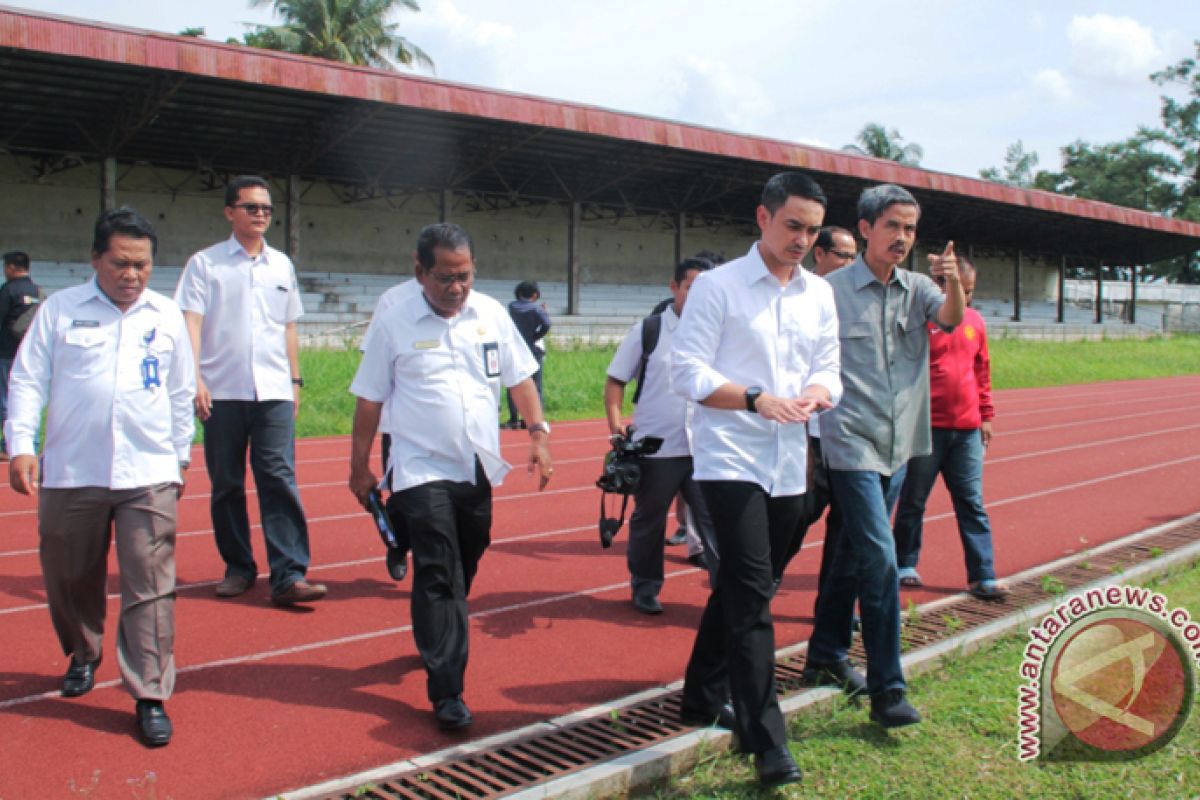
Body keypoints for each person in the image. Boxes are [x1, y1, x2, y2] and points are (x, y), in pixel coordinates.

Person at [348, 222, 553, 730]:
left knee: (470, 553)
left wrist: (538, 434)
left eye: (464, 275)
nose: (456, 287)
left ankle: (438, 633)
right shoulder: (394, 322)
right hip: (420, 466)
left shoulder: (491, 315)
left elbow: (521, 378)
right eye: (444, 277)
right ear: (420, 272)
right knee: (438, 571)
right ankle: (448, 692)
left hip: (477, 463)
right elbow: (369, 399)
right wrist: (358, 466)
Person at [672, 172, 841, 787]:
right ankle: (766, 739)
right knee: (751, 596)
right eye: (793, 225)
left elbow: (829, 366)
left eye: (812, 230)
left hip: (790, 459)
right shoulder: (718, 288)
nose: (802, 239)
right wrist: (753, 399)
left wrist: (819, 392)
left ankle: (700, 694)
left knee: (751, 589)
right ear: (763, 218)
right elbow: (685, 370)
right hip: (729, 458)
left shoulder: (818, 295)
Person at [5, 208, 194, 747]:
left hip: (148, 470)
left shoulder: (166, 314)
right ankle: (83, 653)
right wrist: (22, 445)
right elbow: (27, 381)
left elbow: (182, 391)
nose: (132, 274)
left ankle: (150, 692)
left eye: (142, 264)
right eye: (120, 263)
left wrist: (179, 458)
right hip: (72, 471)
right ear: (95, 259)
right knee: (69, 574)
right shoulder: (60, 311)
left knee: (151, 585)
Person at [805, 184, 965, 729]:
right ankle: (887, 689)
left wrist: (950, 283)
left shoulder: (920, 287)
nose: (902, 237)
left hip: (899, 444)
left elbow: (949, 319)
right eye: (893, 226)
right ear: (866, 228)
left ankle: (825, 655)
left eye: (910, 229)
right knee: (880, 558)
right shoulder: (828, 291)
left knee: (851, 553)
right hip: (849, 439)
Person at [174, 175, 325, 607]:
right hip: (222, 390)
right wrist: (195, 378)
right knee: (226, 482)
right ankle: (239, 567)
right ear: (229, 212)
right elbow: (193, 321)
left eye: (266, 209)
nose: (260, 215)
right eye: (251, 207)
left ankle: (289, 574)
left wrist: (295, 381)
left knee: (278, 477)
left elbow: (289, 324)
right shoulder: (205, 264)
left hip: (274, 389)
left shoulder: (281, 265)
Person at [603, 257, 718, 614]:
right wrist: (615, 422)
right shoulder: (649, 330)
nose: (699, 296)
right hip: (659, 445)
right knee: (649, 520)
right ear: (675, 287)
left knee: (717, 520)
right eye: (691, 287)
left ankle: (727, 590)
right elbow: (616, 379)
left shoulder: (721, 331)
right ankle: (645, 586)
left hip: (707, 445)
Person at [892, 255, 1009, 600]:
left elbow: (982, 372)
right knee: (913, 499)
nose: (965, 298)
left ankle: (983, 574)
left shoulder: (975, 322)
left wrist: (986, 415)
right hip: (926, 428)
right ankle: (905, 561)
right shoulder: (920, 321)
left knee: (971, 502)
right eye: (959, 288)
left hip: (967, 430)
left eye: (970, 291)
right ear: (939, 285)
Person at [775, 226, 857, 589]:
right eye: (843, 255)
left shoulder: (857, 299)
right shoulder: (797, 299)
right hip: (807, 433)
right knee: (797, 514)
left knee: (846, 522)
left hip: (851, 433)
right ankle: (769, 574)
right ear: (820, 255)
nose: (850, 263)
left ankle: (834, 604)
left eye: (855, 256)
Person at [361, 277, 421, 581]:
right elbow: (372, 357)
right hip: (402, 425)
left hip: (453, 430)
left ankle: (435, 565)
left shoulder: (472, 304)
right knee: (402, 496)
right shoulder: (393, 300)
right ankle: (398, 544)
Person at [0, 250, 42, 460]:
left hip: (6, 351)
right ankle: (30, 444)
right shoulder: (36, 290)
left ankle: (10, 446)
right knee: (27, 396)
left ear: (11, 267)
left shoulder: (8, 290)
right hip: (29, 352)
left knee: (6, 400)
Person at [504, 280, 551, 429]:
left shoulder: (512, 307)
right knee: (536, 386)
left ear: (518, 293)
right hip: (532, 348)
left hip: (515, 349)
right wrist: (536, 335)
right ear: (535, 294)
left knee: (513, 383)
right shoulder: (536, 310)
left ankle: (514, 418)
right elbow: (547, 323)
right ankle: (536, 420)